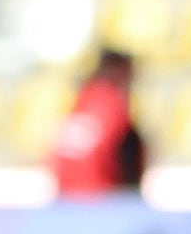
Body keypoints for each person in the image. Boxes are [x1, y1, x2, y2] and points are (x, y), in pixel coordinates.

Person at [48, 48, 148, 198]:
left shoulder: (80, 99)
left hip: (66, 197)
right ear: (118, 70)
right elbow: (124, 156)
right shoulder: (111, 103)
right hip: (100, 197)